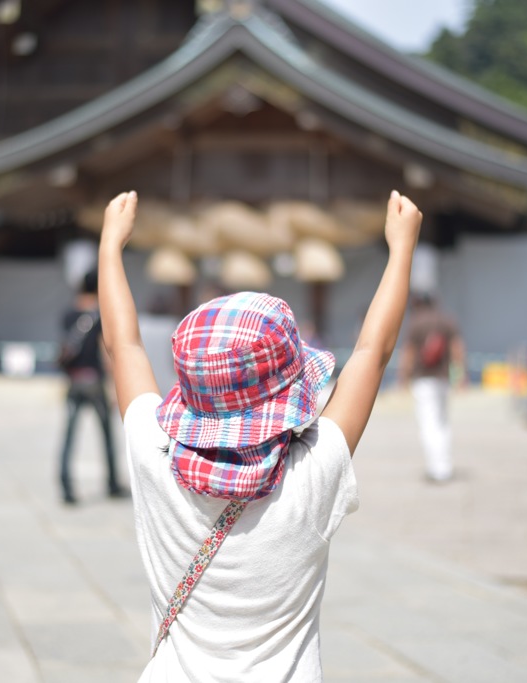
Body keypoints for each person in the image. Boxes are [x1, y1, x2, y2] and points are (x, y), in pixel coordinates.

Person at [98, 189, 420, 680]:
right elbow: (371, 353)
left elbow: (124, 347)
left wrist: (110, 243)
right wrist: (401, 248)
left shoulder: (153, 456)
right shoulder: (313, 472)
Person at [57, 269, 127, 504]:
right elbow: (104, 352)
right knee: (106, 434)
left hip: (75, 380)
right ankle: (112, 483)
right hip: (94, 381)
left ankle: (66, 485)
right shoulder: (98, 315)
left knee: (69, 435)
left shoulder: (68, 314)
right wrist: (114, 384)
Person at [397, 291, 465, 483]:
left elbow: (408, 353)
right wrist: (460, 376)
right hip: (443, 379)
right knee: (443, 423)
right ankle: (446, 466)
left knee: (428, 424)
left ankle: (436, 468)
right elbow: (457, 349)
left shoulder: (416, 323)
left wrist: (403, 377)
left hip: (423, 380)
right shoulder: (446, 321)